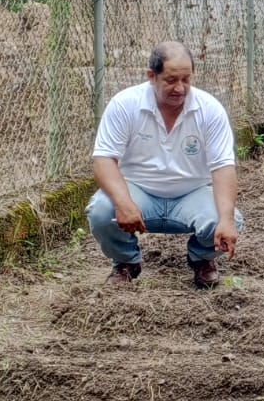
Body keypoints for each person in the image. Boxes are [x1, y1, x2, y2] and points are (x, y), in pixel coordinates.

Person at [87, 40, 242, 289]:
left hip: (192, 194)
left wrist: (226, 219)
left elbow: (223, 166)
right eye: (171, 80)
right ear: (152, 76)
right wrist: (123, 202)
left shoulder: (210, 110)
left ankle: (202, 259)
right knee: (102, 212)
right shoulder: (125, 104)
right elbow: (103, 159)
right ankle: (126, 262)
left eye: (186, 79)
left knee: (226, 219)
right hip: (139, 191)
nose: (180, 88)